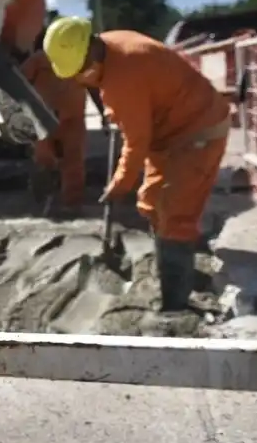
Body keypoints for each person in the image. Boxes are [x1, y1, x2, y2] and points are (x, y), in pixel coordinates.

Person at [42, 17, 231, 312]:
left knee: (175, 214)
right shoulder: (111, 46)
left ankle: (174, 304)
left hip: (197, 131)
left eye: (81, 71)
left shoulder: (123, 75)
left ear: (90, 52)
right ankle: (177, 266)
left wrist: (119, 184)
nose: (80, 78)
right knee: (150, 202)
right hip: (166, 134)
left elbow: (136, 142)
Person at [20, 31, 87, 216]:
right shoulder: (38, 60)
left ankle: (72, 204)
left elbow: (94, 85)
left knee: (73, 161)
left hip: (72, 118)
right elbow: (20, 82)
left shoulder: (79, 58)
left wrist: (104, 112)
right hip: (43, 118)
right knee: (44, 160)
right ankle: (42, 200)